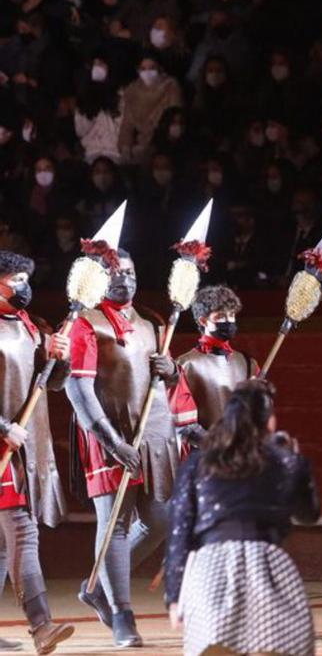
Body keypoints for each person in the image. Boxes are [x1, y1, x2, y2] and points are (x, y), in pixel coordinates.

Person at [66, 249, 195, 647]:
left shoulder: (154, 324)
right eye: (117, 273)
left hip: (154, 433)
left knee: (161, 517)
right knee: (115, 524)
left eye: (132, 272)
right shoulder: (86, 324)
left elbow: (170, 379)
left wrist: (171, 370)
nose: (126, 279)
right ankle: (122, 613)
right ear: (99, 278)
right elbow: (77, 387)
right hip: (110, 433)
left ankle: (97, 586)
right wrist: (110, 439)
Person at [165, 379, 319, 656]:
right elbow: (308, 514)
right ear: (268, 421)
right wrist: (298, 463)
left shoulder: (199, 462)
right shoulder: (284, 460)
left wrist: (175, 596)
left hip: (209, 569)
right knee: (289, 645)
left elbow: (180, 531)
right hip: (267, 565)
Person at [0, 252, 75, 653]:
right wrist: (2, 427)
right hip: (4, 448)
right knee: (23, 533)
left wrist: (59, 359)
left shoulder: (30, 327)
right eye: (16, 279)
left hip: (27, 447)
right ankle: (41, 626)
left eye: (28, 278)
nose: (24, 286)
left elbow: (53, 385)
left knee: (2, 543)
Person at [163, 286, 258, 438]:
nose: (229, 321)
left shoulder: (247, 363)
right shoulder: (185, 365)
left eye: (232, 315)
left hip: (242, 454)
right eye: (221, 316)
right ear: (203, 321)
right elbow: (183, 425)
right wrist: (216, 447)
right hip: (205, 455)